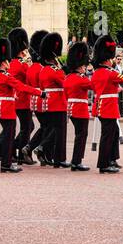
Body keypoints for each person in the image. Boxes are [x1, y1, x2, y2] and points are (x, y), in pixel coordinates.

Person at [0, 37, 40, 173]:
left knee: (7, 133)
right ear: (3, 63)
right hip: (7, 108)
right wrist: (39, 93)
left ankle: (0, 157)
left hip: (0, 107)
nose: (8, 63)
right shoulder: (6, 77)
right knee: (9, 134)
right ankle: (4, 161)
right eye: (6, 61)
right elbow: (22, 87)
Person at [92, 34, 123, 173]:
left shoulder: (97, 73)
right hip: (108, 108)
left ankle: (112, 159)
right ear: (106, 60)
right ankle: (103, 164)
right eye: (110, 59)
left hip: (102, 106)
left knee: (113, 133)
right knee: (107, 135)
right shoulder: (110, 73)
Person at [36, 32, 68, 167]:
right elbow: (64, 83)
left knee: (51, 129)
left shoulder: (44, 70)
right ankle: (57, 157)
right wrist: (64, 71)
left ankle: (49, 156)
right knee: (59, 131)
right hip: (58, 103)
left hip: (48, 102)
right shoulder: (54, 70)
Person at [64, 40, 95, 171]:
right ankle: (76, 161)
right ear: (80, 66)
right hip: (80, 110)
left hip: (71, 110)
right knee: (82, 135)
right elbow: (93, 85)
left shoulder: (68, 78)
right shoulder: (81, 79)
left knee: (79, 135)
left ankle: (76, 160)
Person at [7, 27, 35, 164]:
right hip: (23, 99)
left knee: (26, 126)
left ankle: (11, 151)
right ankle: (20, 153)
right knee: (28, 126)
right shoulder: (21, 65)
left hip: (15, 99)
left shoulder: (11, 63)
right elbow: (31, 78)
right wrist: (30, 61)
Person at [23, 29, 49, 163]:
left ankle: (41, 152)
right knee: (48, 127)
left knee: (45, 126)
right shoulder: (42, 69)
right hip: (42, 99)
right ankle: (32, 147)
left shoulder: (31, 68)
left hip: (33, 100)